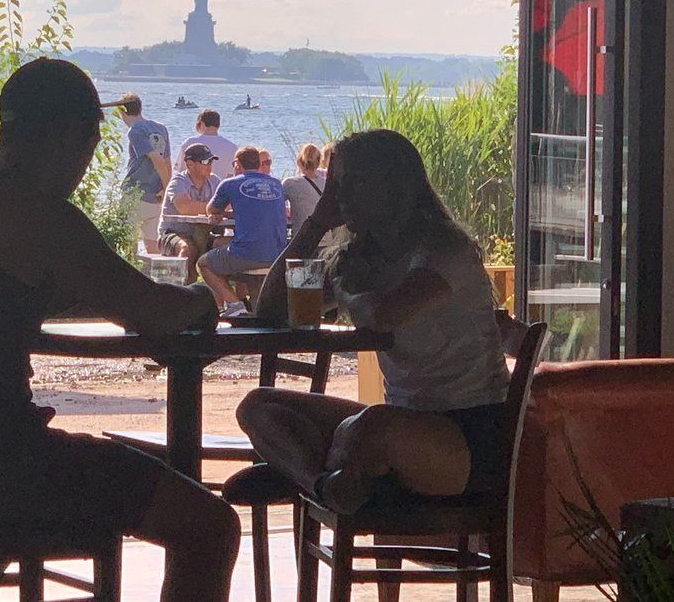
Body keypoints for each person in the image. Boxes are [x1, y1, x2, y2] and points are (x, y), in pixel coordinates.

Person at [0, 58, 239, 601]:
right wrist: (199, 298)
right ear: (75, 136)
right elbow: (149, 308)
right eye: (92, 143)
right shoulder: (36, 211)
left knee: (0, 520)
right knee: (209, 526)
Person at [236, 129, 510, 514]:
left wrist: (347, 289)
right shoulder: (361, 258)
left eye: (350, 183)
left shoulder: (443, 251)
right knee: (258, 407)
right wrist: (316, 223)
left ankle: (298, 474)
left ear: (392, 186)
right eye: (335, 185)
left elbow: (383, 320)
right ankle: (321, 483)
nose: (339, 197)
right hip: (404, 421)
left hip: (468, 431)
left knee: (369, 426)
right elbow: (271, 309)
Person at [198, 145, 287, 315]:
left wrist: (221, 213)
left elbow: (211, 209)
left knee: (203, 263)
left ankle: (234, 304)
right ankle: (248, 306)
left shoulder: (230, 184)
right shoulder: (276, 184)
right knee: (220, 247)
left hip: (247, 253)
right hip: (277, 253)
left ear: (238, 164)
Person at [158, 144, 221, 282]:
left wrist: (214, 208)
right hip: (172, 234)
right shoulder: (178, 182)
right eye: (205, 161)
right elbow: (185, 207)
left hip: (204, 234)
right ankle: (175, 289)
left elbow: (227, 205)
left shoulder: (215, 181)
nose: (209, 165)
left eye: (211, 161)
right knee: (187, 249)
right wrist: (213, 208)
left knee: (224, 246)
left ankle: (227, 301)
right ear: (190, 164)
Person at [117, 92, 171, 254]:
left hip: (135, 194)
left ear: (122, 112)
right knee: (153, 250)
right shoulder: (160, 128)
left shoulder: (135, 131)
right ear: (140, 108)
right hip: (156, 197)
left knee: (128, 247)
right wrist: (165, 188)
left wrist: (166, 187)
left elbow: (157, 160)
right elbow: (167, 162)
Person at [174, 110, 236, 179]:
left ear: (202, 123)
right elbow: (231, 176)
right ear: (218, 125)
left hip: (193, 188)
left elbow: (182, 171)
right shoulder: (231, 147)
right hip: (221, 188)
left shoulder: (189, 143)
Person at [281, 143, 325, 237]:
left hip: (302, 239)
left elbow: (277, 206)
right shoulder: (326, 183)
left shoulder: (290, 183)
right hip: (325, 238)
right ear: (318, 163)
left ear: (298, 162)